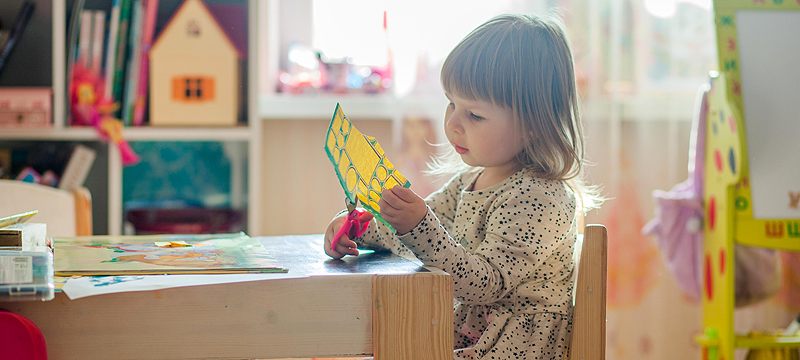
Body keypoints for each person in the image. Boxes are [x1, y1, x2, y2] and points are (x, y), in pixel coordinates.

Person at [324, 13, 600, 360]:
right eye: (451, 103)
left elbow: (485, 283)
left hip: (510, 347)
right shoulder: (469, 181)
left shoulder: (540, 197)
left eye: (475, 115)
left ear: (534, 124)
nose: (452, 123)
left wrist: (417, 224)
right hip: (470, 335)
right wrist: (363, 228)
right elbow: (418, 236)